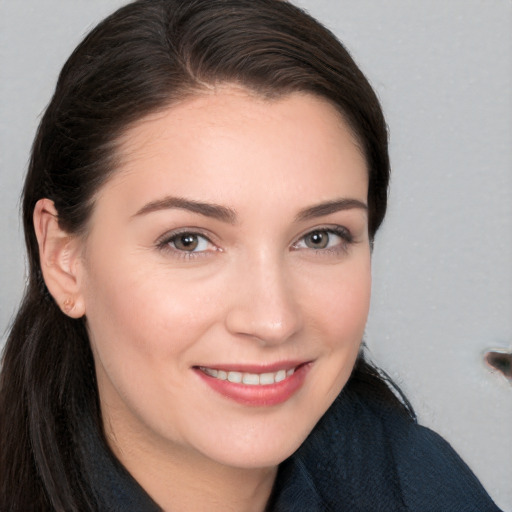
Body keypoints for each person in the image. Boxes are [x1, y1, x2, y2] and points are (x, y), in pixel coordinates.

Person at [0, 0, 502, 510]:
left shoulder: (421, 488)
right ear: (65, 261)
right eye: (188, 241)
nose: (273, 320)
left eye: (319, 237)